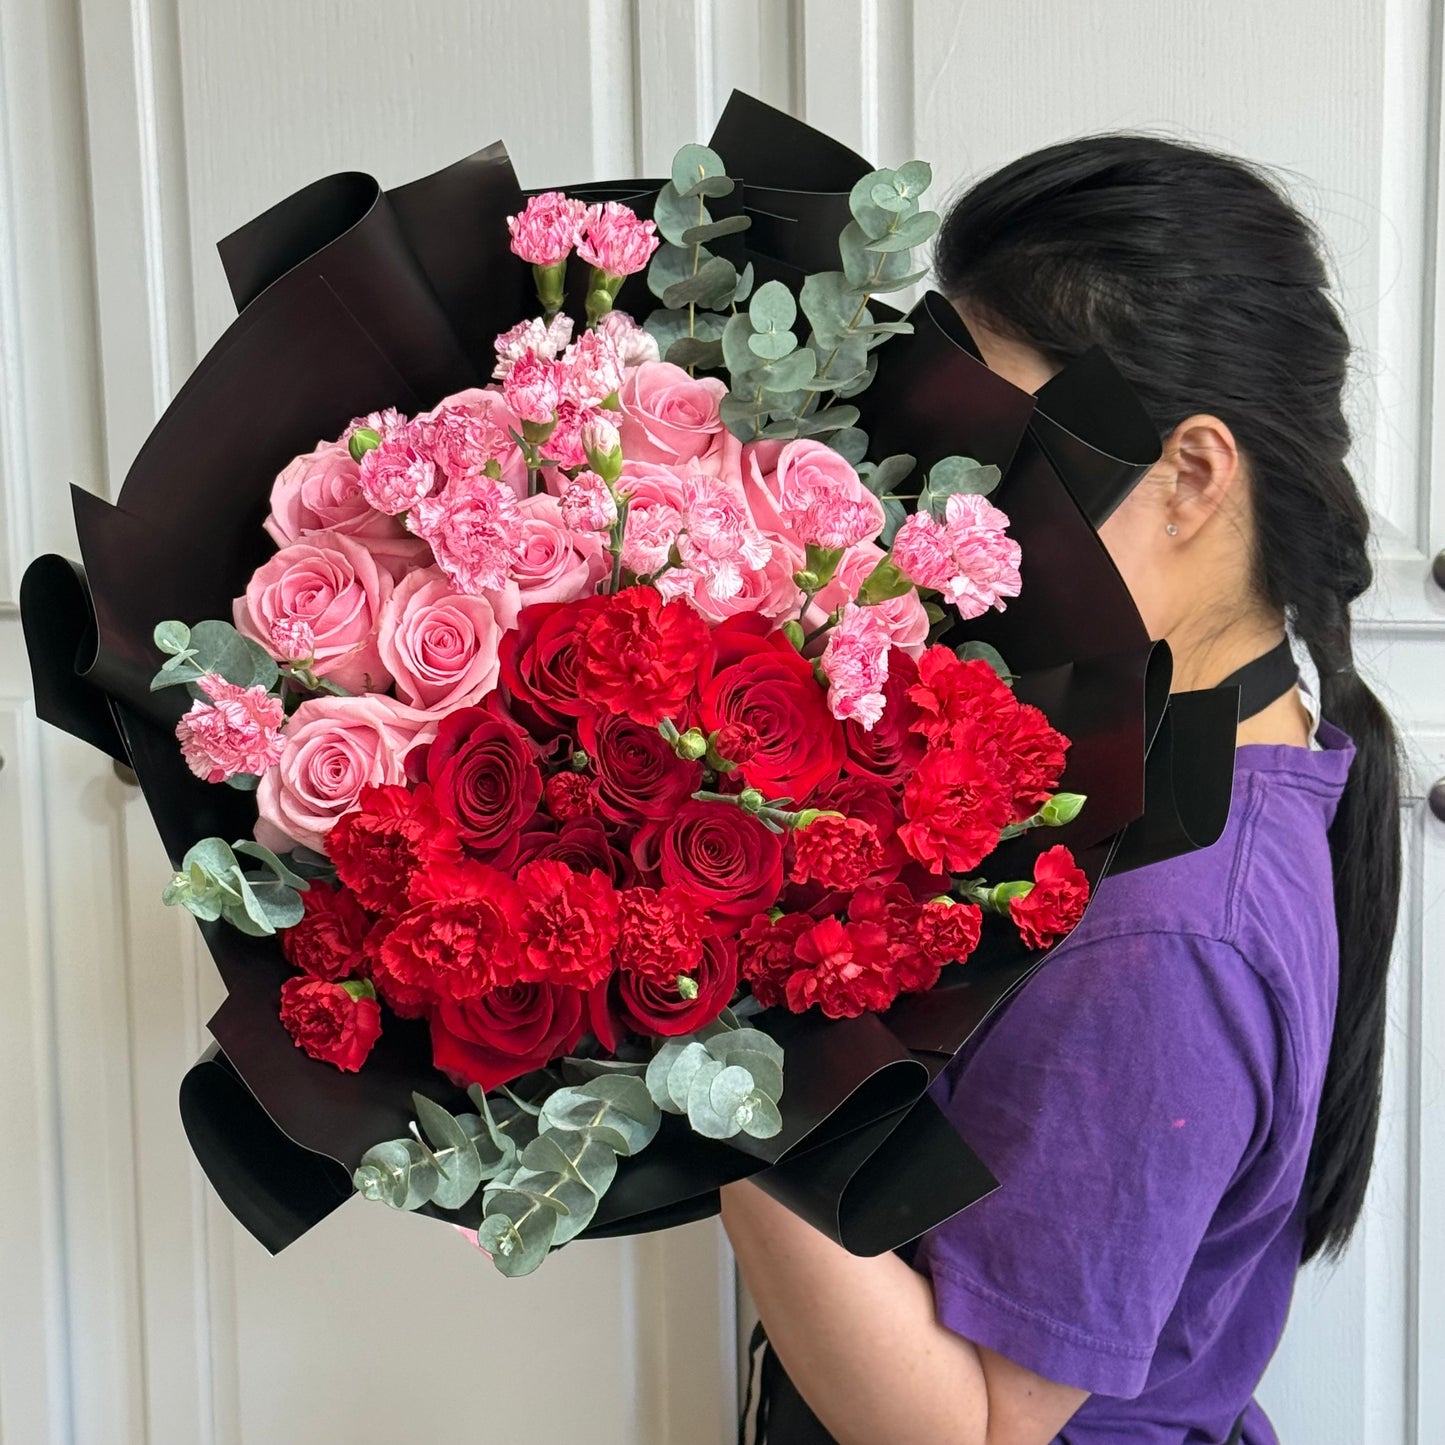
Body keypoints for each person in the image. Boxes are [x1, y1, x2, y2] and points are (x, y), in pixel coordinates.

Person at [723, 134, 1402, 1445]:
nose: (944, 514)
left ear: (1191, 476)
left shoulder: (1161, 926)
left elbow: (973, 1432)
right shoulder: (1180, 747)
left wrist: (696, 1060)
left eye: (1001, 449)